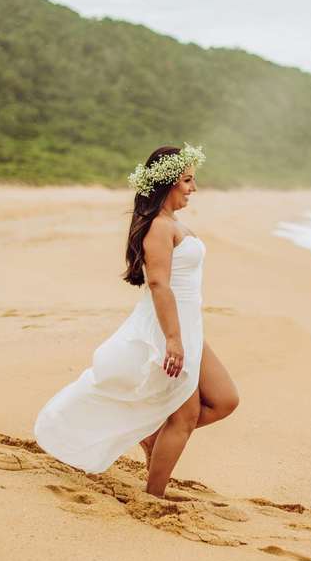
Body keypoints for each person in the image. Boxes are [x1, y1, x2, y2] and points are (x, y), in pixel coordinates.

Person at [35, 145, 239, 496]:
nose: (193, 188)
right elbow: (158, 283)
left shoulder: (173, 223)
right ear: (168, 183)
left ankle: (152, 437)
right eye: (188, 180)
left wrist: (184, 334)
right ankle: (154, 496)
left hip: (188, 326)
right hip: (168, 328)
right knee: (186, 415)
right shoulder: (159, 227)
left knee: (224, 400)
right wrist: (173, 339)